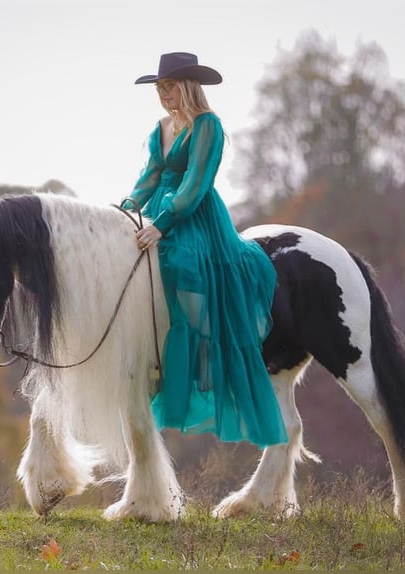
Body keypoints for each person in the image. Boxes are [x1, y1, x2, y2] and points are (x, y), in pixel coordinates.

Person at [123, 52, 288, 448]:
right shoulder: (160, 128)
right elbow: (150, 178)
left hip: (194, 215)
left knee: (182, 264)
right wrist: (127, 209)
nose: (164, 95)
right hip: (159, 208)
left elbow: (196, 183)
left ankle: (202, 357)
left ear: (188, 87)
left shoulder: (207, 126)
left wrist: (162, 225)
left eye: (170, 87)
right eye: (160, 89)